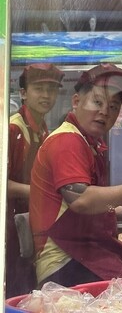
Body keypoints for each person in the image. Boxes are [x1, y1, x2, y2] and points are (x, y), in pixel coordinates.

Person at [29, 63, 122, 288]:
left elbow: (91, 207)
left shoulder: (88, 143)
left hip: (82, 255)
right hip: (64, 263)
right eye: (98, 102)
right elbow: (81, 200)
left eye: (113, 106)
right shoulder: (67, 141)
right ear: (76, 101)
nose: (105, 112)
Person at [6, 63, 65, 297]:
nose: (46, 95)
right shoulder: (13, 129)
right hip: (10, 228)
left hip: (30, 223)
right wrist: (42, 192)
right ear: (23, 93)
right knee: (15, 290)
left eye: (51, 89)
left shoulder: (42, 129)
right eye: (39, 89)